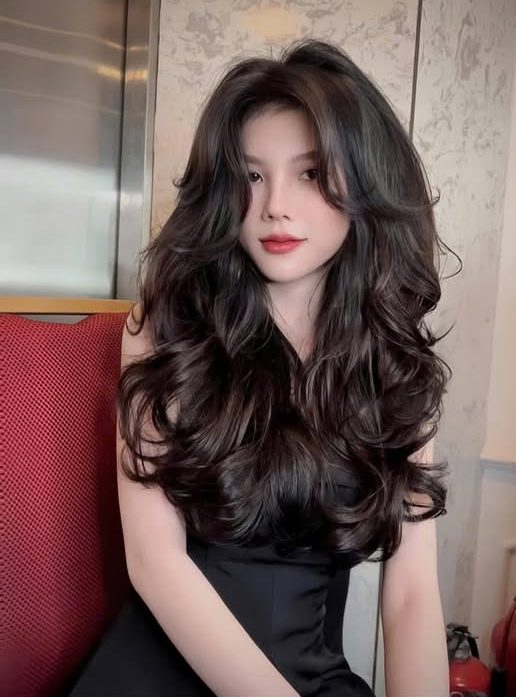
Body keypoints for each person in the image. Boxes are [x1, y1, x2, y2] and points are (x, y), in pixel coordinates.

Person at [69, 39, 452, 697]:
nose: (275, 204)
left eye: (310, 173)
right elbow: (155, 564)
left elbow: (412, 592)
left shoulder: (394, 359)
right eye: (250, 176)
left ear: (364, 184)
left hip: (311, 677)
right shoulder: (165, 326)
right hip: (159, 673)